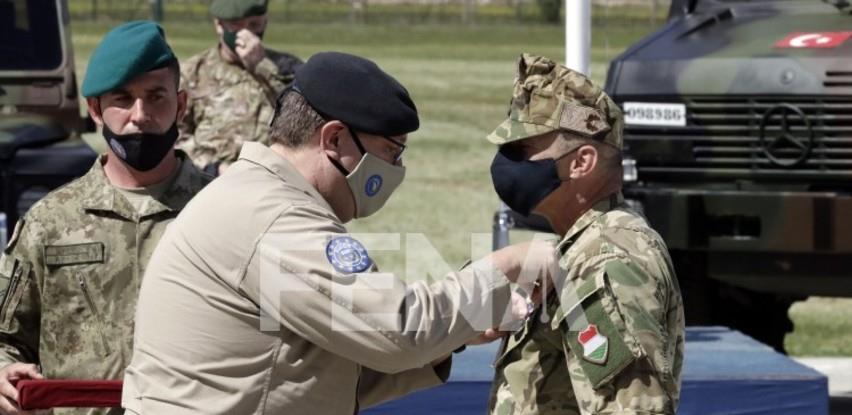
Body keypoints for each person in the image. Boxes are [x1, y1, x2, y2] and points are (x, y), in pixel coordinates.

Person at [122, 51, 554, 415]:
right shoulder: (273, 218)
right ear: (334, 140)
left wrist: (451, 337)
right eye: (390, 153)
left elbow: (326, 371)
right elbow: (399, 331)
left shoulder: (259, 198)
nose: (397, 171)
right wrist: (504, 266)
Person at [0, 21, 211, 415]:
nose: (140, 115)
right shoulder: (50, 222)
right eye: (123, 99)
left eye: (156, 97)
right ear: (95, 110)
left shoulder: (221, 212)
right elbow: (6, 335)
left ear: (180, 106)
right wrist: (3, 371)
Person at [485, 54, 685, 415]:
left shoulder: (608, 259)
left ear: (582, 162)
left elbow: (632, 408)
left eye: (523, 151)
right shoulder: (579, 246)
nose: (507, 164)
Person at [177, 0, 303, 175]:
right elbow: (177, 134)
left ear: (265, 22)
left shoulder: (288, 68)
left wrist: (262, 67)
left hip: (272, 177)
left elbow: (302, 119)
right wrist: (213, 168)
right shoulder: (191, 72)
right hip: (209, 179)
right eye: (236, 25)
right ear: (219, 25)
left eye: (254, 24)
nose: (246, 34)